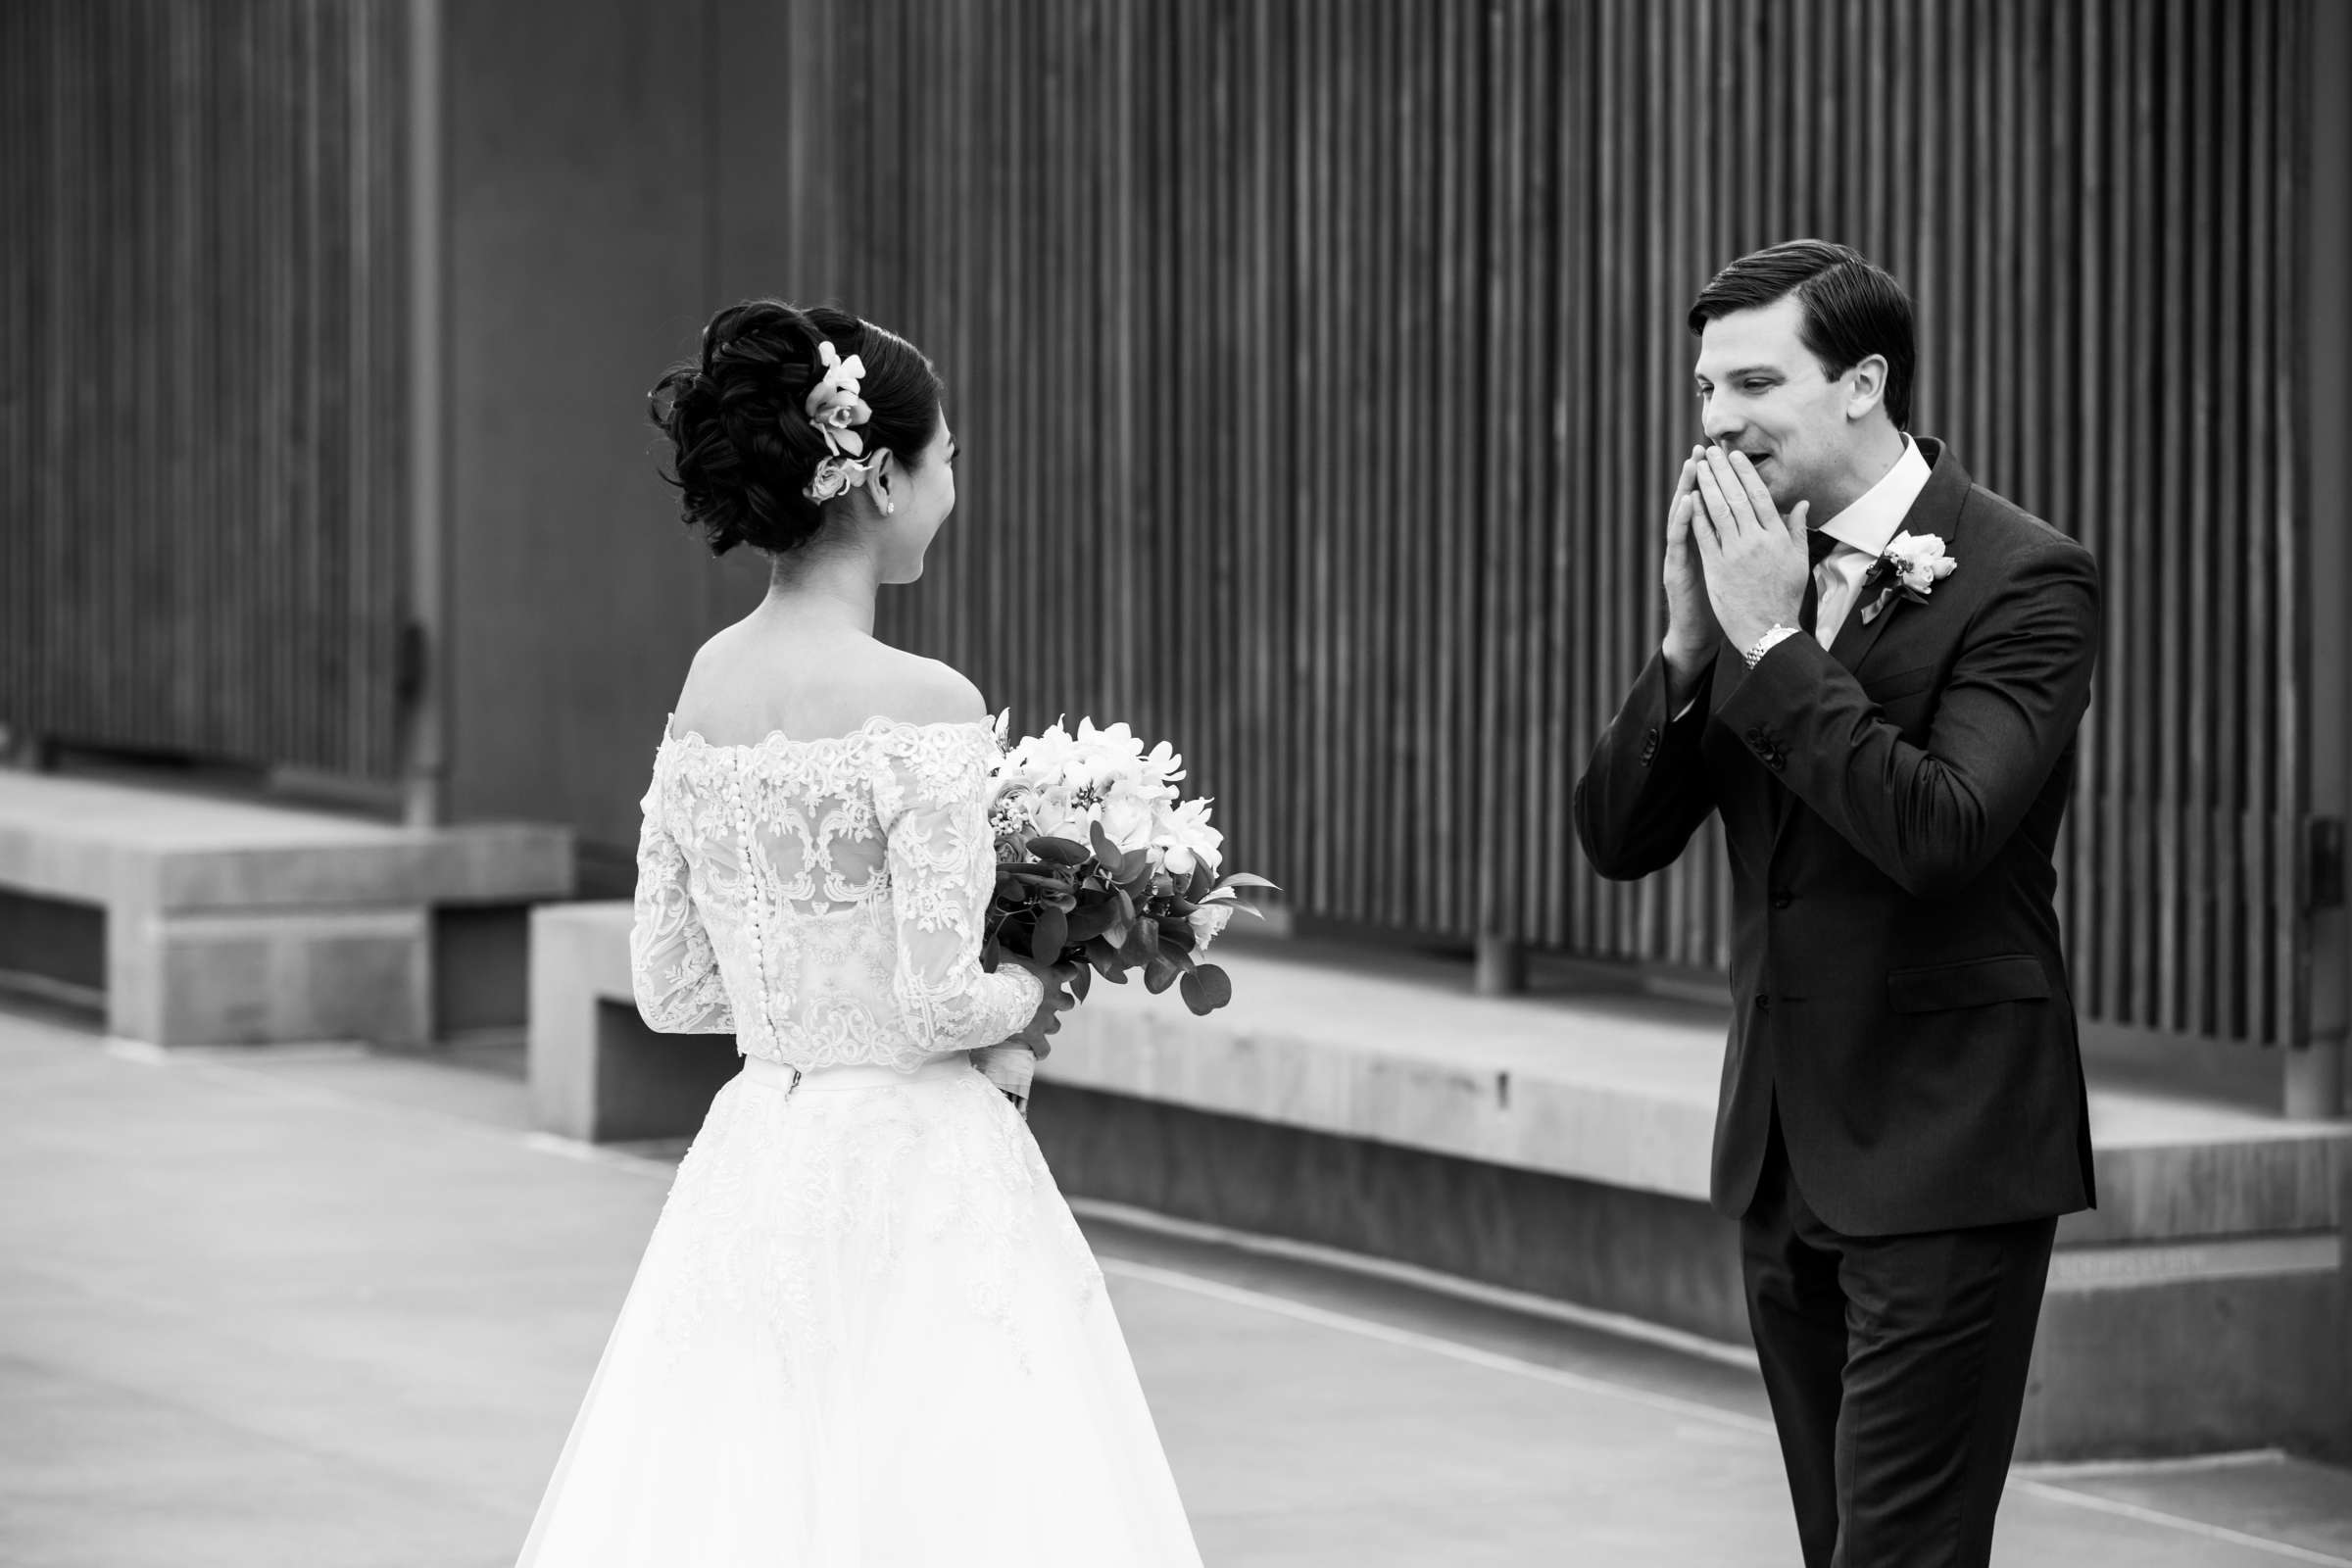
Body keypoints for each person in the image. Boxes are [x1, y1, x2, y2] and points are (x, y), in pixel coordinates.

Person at [515, 300, 1204, 1567]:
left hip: (761, 1151)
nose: (950, 490)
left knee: (747, 1490)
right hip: (913, 1159)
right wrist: (1037, 984)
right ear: (881, 474)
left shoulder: (707, 685)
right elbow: (941, 1004)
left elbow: (670, 988)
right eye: (947, 463)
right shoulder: (924, 704)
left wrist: (810, 1010)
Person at [1573, 241, 2099, 1567]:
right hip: (1783, 1154)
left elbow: (1943, 834)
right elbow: (1620, 839)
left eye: (1755, 380)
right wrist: (1688, 653)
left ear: (1864, 382)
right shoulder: (1755, 570)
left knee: (1901, 1554)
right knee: (1835, 1546)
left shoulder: (2025, 578)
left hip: (1947, 1147)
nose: (1714, 421)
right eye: (1703, 387)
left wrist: (1776, 647)